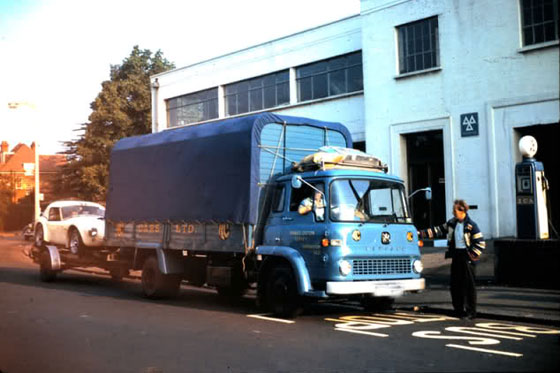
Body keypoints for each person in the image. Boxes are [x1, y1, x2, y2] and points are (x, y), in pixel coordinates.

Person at [418, 200, 485, 319]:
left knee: (468, 286)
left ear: (463, 210)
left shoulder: (471, 225)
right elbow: (437, 230)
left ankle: (471, 312)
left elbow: (481, 243)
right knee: (455, 285)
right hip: (456, 255)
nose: (453, 213)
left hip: (466, 257)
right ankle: (458, 310)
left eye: (455, 210)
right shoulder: (452, 223)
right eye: (453, 210)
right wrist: (420, 233)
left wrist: (472, 256)